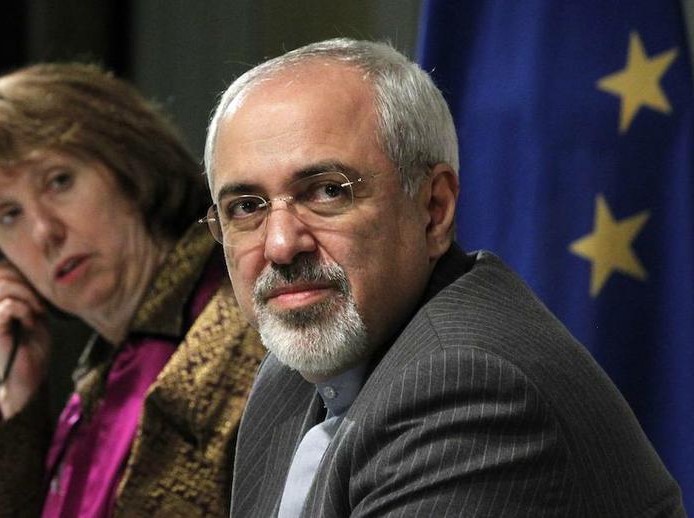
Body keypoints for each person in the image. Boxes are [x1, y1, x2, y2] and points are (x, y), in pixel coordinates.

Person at [201, 38, 685, 517]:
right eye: (245, 208)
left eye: (328, 192)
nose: (281, 245)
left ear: (434, 210)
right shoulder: (288, 375)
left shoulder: (468, 387)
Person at [0, 62, 264, 517]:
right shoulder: (99, 381)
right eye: (9, 214)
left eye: (59, 181)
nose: (44, 232)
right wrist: (17, 394)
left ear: (129, 166)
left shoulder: (245, 322)